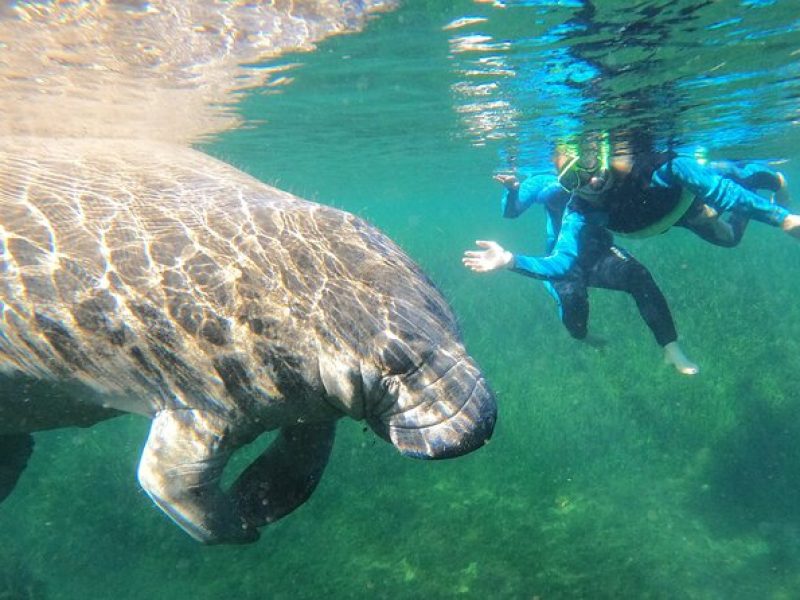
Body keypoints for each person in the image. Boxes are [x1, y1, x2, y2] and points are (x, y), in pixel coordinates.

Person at [467, 171, 699, 375]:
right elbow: (511, 211)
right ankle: (583, 337)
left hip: (600, 253)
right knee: (575, 311)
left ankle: (672, 348)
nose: (585, 176)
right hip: (563, 263)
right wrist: (513, 191)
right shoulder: (547, 183)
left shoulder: (606, 176)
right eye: (569, 168)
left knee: (638, 276)